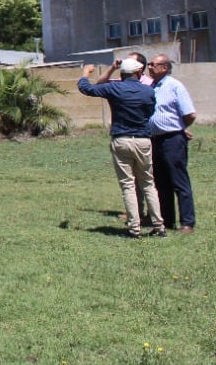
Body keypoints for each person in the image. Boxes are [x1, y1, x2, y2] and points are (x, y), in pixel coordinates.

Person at [77, 57, 166, 238]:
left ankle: (134, 228)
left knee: (128, 185)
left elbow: (86, 88)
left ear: (122, 73)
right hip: (142, 140)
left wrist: (85, 74)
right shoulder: (148, 91)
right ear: (138, 72)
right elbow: (150, 111)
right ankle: (159, 225)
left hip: (121, 139)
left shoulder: (114, 88)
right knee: (148, 183)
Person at [96, 52, 155, 225]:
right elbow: (100, 84)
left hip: (143, 135)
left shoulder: (148, 85)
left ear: (140, 68)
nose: (125, 63)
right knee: (134, 180)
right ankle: (139, 214)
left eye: (130, 62)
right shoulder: (121, 84)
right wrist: (113, 68)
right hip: (133, 136)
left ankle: (147, 218)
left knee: (145, 180)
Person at [146, 54, 197, 233]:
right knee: (160, 183)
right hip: (155, 140)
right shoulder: (152, 87)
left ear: (164, 68)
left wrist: (179, 128)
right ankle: (166, 221)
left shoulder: (174, 86)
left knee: (178, 181)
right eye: (149, 64)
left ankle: (187, 222)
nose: (149, 67)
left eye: (153, 64)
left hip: (173, 139)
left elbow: (189, 114)